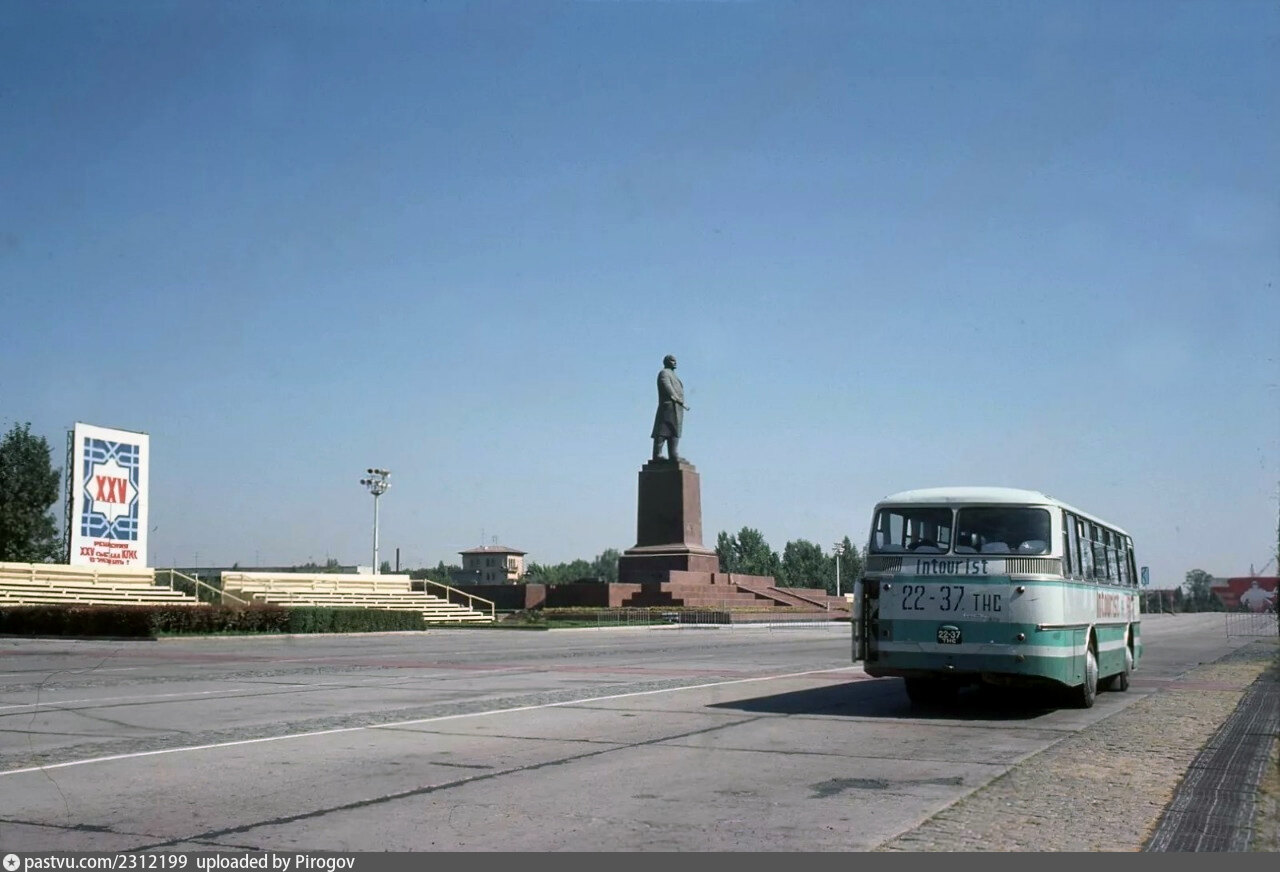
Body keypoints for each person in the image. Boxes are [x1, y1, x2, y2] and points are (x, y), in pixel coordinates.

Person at [651, 354, 689, 462]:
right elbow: (667, 387)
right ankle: (657, 455)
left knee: (674, 430)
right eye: (672, 360)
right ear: (666, 362)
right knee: (662, 430)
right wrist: (676, 397)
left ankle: (673, 454)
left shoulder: (674, 375)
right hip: (668, 407)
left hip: (677, 408)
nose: (675, 362)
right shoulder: (664, 373)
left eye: (675, 360)